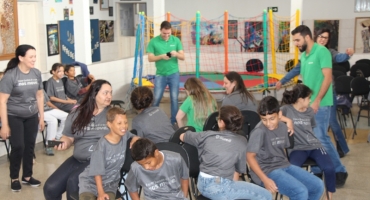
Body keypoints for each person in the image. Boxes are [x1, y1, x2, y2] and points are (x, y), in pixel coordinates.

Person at [276, 28, 353, 158]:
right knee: (317, 136)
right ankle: (323, 165)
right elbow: (296, 69)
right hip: (311, 100)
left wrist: (348, 54)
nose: (323, 39)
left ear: (307, 37)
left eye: (326, 38)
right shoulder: (305, 54)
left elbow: (338, 61)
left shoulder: (326, 51)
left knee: (326, 130)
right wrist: (283, 80)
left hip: (323, 97)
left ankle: (340, 162)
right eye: (321, 36)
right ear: (315, 37)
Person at [290, 25, 348, 187]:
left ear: (307, 37)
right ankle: (317, 169)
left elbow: (327, 78)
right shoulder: (304, 55)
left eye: (297, 40)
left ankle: (339, 170)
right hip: (309, 103)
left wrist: (317, 101)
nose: (295, 43)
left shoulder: (322, 51)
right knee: (313, 139)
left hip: (321, 103)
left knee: (321, 138)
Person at [43, 80, 120, 200]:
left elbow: (124, 134)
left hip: (98, 162)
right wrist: (64, 143)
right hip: (78, 159)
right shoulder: (77, 113)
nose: (109, 96)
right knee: (50, 188)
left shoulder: (112, 115)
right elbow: (68, 137)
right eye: (105, 93)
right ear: (94, 94)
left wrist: (134, 138)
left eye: (110, 92)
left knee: (73, 182)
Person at [180, 106, 272, 200]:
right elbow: (238, 170)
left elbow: (182, 136)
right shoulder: (241, 141)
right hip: (220, 187)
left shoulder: (206, 135)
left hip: (201, 184)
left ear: (221, 123)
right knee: (266, 195)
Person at [246, 96, 324, 200]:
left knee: (318, 185)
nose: (268, 123)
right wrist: (264, 179)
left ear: (279, 115)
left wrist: (288, 167)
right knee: (300, 192)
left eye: (272, 119)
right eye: (264, 120)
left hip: (284, 165)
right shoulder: (259, 131)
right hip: (266, 170)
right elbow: (249, 156)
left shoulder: (283, 127)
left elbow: (281, 148)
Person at [0, 44, 45, 192]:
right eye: (31, 57)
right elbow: (2, 101)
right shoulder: (10, 76)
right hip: (14, 116)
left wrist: (41, 117)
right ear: (21, 57)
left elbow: (39, 96)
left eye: (35, 56)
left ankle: (27, 176)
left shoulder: (36, 73)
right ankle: (14, 177)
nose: (34, 59)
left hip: (31, 115)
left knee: (30, 146)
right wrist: (5, 125)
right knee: (18, 146)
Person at [281, 84, 336, 199]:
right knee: (292, 169)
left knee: (329, 168)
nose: (311, 101)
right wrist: (288, 121)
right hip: (297, 148)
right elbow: (275, 116)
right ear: (301, 100)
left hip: (314, 146)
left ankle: (329, 196)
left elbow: (311, 129)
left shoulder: (310, 111)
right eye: (309, 98)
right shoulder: (286, 109)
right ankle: (296, 194)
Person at [79, 107, 138, 200]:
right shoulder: (102, 146)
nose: (124, 126)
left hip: (110, 185)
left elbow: (132, 135)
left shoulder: (124, 134)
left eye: (126, 122)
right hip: (91, 183)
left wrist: (135, 138)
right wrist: (101, 193)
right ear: (109, 124)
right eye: (119, 123)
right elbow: (97, 172)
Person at [147, 21, 185, 125]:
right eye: (164, 33)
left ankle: (174, 121)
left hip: (174, 74)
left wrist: (176, 54)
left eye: (169, 33)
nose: (166, 35)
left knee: (174, 98)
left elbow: (183, 57)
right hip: (160, 74)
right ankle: (153, 121)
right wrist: (161, 56)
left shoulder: (176, 40)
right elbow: (150, 58)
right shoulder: (153, 42)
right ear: (160, 31)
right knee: (156, 98)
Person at [43, 90, 68, 156]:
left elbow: (47, 102)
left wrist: (57, 109)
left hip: (48, 109)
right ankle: (48, 145)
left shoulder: (41, 89)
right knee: (53, 121)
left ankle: (57, 138)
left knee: (67, 116)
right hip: (38, 112)